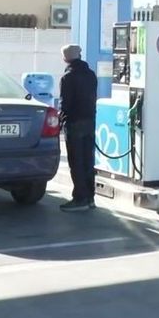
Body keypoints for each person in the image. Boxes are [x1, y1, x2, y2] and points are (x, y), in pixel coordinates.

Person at [58, 44, 98, 212]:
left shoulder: (67, 77)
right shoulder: (91, 75)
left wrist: (60, 120)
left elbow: (65, 104)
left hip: (74, 123)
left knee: (76, 161)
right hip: (90, 120)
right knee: (88, 160)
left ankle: (79, 198)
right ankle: (90, 197)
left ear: (65, 58)